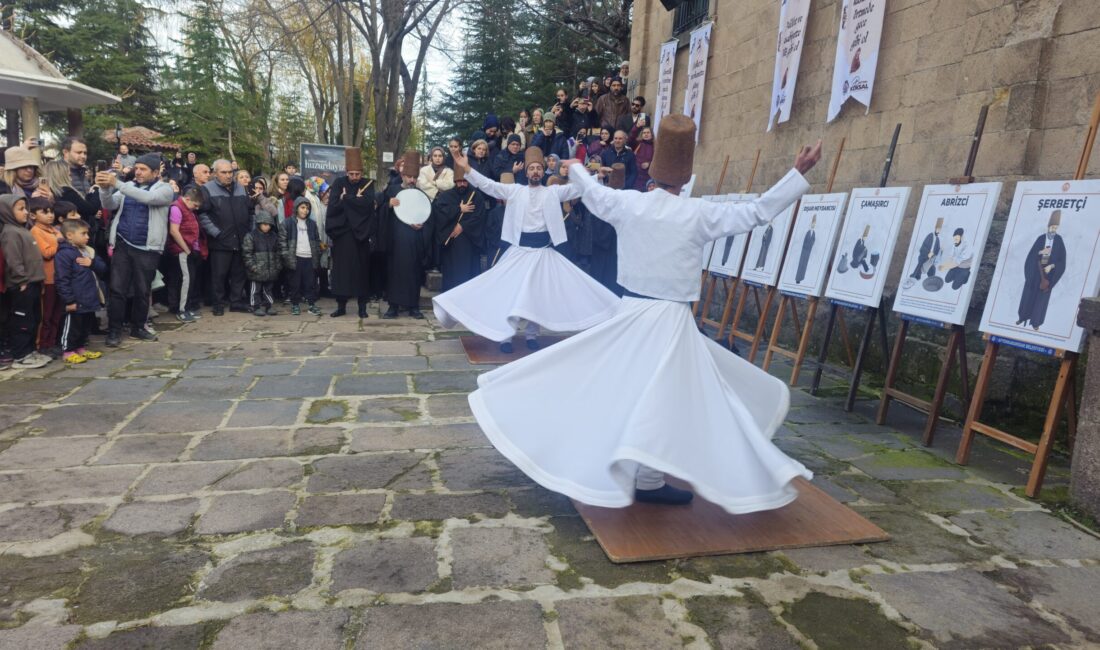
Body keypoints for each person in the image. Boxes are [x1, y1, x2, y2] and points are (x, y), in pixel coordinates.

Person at [467, 114, 822, 510]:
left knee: (632, 389)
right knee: (663, 395)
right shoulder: (698, 213)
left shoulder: (629, 205)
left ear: (652, 170)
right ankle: (648, 476)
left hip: (630, 311)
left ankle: (647, 475)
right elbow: (756, 212)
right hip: (669, 320)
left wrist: (577, 167)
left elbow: (592, 194)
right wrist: (796, 174)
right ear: (686, 177)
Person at [434, 145, 620, 352]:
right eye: (531, 168)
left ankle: (532, 335)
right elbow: (488, 185)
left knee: (537, 296)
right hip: (519, 251)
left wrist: (597, 177)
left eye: (538, 168)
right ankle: (506, 337)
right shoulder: (515, 191)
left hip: (543, 252)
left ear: (543, 171)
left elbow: (578, 189)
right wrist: (467, 169)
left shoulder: (553, 192)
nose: (535, 172)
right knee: (510, 294)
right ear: (526, 171)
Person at [98, 153, 174, 345]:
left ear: (156, 172)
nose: (137, 172)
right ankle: (114, 331)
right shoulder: (128, 186)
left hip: (148, 248)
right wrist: (104, 189)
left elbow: (148, 198)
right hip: (123, 244)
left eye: (143, 169)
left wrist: (118, 183)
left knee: (142, 291)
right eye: (136, 168)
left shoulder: (165, 189)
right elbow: (109, 204)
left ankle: (138, 328)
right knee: (117, 290)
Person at [326, 147, 378, 318]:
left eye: (357, 174)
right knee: (341, 272)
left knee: (361, 271)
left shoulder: (368, 184)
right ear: (346, 172)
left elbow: (368, 205)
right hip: (343, 234)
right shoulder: (339, 183)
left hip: (361, 236)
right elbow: (333, 205)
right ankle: (341, 306)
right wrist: (354, 200)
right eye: (352, 174)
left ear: (361, 172)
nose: (355, 177)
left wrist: (347, 199)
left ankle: (362, 308)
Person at [0, 194, 50, 369]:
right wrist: (21, 279)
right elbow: (13, 259)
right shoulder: (10, 232)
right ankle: (21, 354)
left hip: (33, 281)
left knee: (34, 318)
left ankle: (30, 351)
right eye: (20, 209)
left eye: (25, 208)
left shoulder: (23, 229)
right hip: (22, 284)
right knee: (22, 320)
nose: (26, 212)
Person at [198, 159, 253, 316]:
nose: (228, 175)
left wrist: (250, 231)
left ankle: (236, 302)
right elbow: (202, 214)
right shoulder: (207, 189)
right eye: (224, 172)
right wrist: (216, 233)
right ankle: (218, 303)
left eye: (231, 172)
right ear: (215, 173)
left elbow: (250, 211)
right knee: (219, 274)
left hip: (241, 238)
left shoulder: (241, 188)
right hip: (220, 240)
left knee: (239, 273)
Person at [380, 151, 430, 319]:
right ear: (402, 174)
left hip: (414, 240)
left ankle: (413, 306)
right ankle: (393, 307)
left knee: (414, 273)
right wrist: (388, 204)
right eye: (409, 176)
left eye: (414, 177)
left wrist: (422, 224)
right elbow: (378, 209)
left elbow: (427, 215)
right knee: (395, 273)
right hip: (396, 240)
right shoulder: (392, 189)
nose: (411, 180)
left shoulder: (420, 194)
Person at [53, 219, 106, 364]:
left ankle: (80, 347)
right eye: (83, 233)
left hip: (89, 297)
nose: (87, 237)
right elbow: (62, 279)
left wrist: (92, 263)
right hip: (76, 299)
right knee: (72, 326)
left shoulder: (86, 251)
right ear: (69, 235)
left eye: (87, 233)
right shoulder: (64, 254)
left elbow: (103, 268)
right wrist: (69, 300)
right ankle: (68, 351)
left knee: (84, 326)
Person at [433, 164, 485, 291]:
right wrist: (458, 209)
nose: (462, 184)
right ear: (455, 181)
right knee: (452, 277)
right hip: (451, 246)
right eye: (459, 181)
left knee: (468, 277)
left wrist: (462, 226)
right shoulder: (446, 196)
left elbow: (479, 217)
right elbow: (439, 214)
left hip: (469, 245)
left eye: (464, 181)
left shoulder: (476, 196)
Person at [1017, 211, 1066, 330]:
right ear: (1048, 226)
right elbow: (1031, 255)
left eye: (1056, 227)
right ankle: (1023, 316)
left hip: (1048, 276)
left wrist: (1052, 266)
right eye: (1052, 227)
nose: (1054, 229)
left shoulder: (1059, 240)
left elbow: (1062, 261)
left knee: (1041, 300)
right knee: (1029, 295)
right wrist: (1040, 252)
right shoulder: (1041, 238)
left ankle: (1036, 322)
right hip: (1035, 273)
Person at [164, 187, 205, 322]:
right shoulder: (177, 208)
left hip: (189, 249)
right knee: (186, 280)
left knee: (190, 279)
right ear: (187, 199)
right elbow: (174, 231)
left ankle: (186, 307)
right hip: (181, 250)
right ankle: (181, 310)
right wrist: (186, 249)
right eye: (195, 205)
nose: (196, 208)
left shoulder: (187, 209)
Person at [27, 197, 62, 358]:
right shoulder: (36, 231)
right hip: (48, 278)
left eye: (51, 212)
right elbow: (46, 253)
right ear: (33, 215)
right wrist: (58, 242)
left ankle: (52, 342)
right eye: (45, 212)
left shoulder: (53, 229)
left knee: (56, 313)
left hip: (60, 278)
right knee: (46, 315)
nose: (50, 215)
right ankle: (42, 344)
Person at [282, 196, 323, 315]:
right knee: (295, 284)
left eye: (307, 208)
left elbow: (316, 240)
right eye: (302, 207)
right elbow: (282, 242)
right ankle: (295, 304)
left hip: (309, 257)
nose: (305, 210)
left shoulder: (312, 224)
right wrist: (286, 256)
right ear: (296, 208)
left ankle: (311, 304)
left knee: (310, 283)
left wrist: (317, 254)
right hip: (295, 257)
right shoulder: (288, 223)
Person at [242, 206, 283, 316]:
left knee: (268, 289)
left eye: (269, 225)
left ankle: (268, 305)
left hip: (270, 270)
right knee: (255, 289)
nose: (267, 227)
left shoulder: (274, 236)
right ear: (259, 223)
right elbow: (247, 254)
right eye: (265, 224)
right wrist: (253, 267)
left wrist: (277, 266)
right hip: (257, 270)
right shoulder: (251, 236)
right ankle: (255, 306)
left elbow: (278, 252)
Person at [629, 125, 654, 191]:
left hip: (648, 178)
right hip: (636, 177)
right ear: (641, 134)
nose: (646, 134)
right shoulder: (637, 144)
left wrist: (649, 164)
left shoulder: (655, 146)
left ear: (652, 134)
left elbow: (658, 161)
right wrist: (636, 127)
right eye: (644, 133)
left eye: (648, 133)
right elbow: (631, 138)